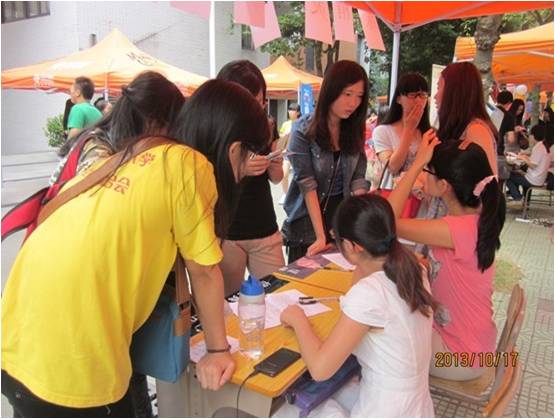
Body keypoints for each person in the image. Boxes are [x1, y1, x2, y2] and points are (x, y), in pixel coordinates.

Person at [2, 75, 269, 417]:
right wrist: (218, 351)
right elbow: (204, 272)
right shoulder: (190, 165)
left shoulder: (131, 153)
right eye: (252, 155)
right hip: (71, 364)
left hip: (17, 336)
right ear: (235, 149)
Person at [277, 194, 436, 417]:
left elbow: (320, 370)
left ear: (352, 246)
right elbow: (357, 292)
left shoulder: (370, 294)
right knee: (337, 388)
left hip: (386, 411)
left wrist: (298, 319)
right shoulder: (414, 269)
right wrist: (359, 257)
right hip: (415, 407)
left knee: (285, 411)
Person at [388, 133, 506, 381]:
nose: (423, 177)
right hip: (477, 348)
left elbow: (386, 220)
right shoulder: (477, 219)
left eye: (427, 172)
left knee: (382, 337)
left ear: (444, 186)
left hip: (459, 358)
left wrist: (417, 163)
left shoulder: (455, 229)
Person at [282, 60, 370, 263]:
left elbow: (358, 180)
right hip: (307, 222)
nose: (353, 103)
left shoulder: (355, 129)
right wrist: (320, 236)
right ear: (332, 90)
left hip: (341, 222)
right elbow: (307, 184)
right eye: (347, 94)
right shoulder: (303, 130)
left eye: (359, 96)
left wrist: (359, 224)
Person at [212, 60, 284, 296]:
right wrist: (240, 169)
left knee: (277, 296)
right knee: (227, 303)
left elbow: (276, 179)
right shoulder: (214, 130)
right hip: (227, 233)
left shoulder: (266, 127)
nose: (255, 107)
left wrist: (275, 165)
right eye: (248, 100)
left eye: (259, 100)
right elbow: (208, 184)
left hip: (264, 228)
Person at [435, 62, 498, 176]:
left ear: (453, 92)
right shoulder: (460, 127)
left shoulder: (476, 131)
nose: (435, 96)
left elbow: (488, 183)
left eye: (439, 87)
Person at [373, 73, 430, 189]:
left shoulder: (429, 132)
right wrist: (409, 129)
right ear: (399, 99)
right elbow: (393, 167)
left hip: (423, 196)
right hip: (394, 194)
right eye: (412, 95)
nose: (418, 100)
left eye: (423, 95)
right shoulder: (382, 131)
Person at [506, 123, 554, 202]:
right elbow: (535, 161)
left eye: (530, 135)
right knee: (515, 173)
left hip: (533, 180)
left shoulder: (539, 147)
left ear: (533, 135)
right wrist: (524, 157)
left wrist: (521, 157)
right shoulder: (544, 146)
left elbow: (533, 165)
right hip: (538, 178)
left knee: (507, 177)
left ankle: (518, 198)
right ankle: (520, 198)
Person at [279, 103, 302, 203]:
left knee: (300, 176)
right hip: (287, 153)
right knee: (284, 174)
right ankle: (286, 194)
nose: (290, 112)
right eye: (289, 110)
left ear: (298, 112)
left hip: (298, 153)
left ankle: (299, 196)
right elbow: (280, 137)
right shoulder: (286, 124)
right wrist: (285, 135)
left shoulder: (301, 123)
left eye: (292, 110)